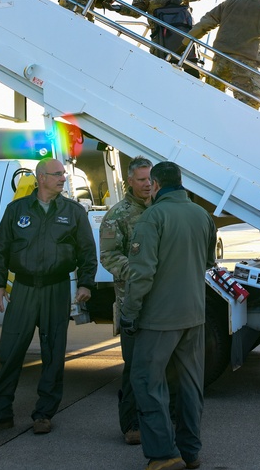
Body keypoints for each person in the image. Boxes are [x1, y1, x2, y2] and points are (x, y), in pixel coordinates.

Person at [0, 158, 97, 436]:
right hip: (24, 289)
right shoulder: (17, 209)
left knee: (53, 355)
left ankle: (44, 414)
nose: (63, 179)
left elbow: (88, 251)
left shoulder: (74, 211)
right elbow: (1, 249)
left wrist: (86, 283)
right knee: (10, 352)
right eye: (57, 174)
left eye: (63, 174)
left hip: (56, 288)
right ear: (41, 178)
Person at [121, 162, 217, 470]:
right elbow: (208, 262)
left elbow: (141, 273)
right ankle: (190, 452)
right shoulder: (202, 215)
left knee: (147, 382)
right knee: (190, 386)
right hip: (194, 315)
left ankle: (163, 454)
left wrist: (129, 312)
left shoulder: (153, 216)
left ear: (158, 184)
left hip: (158, 319)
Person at [99, 157, 154, 446]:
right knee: (133, 366)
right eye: (142, 179)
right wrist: (139, 273)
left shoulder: (162, 209)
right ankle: (131, 423)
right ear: (130, 181)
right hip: (132, 303)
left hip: (162, 304)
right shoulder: (117, 215)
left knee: (162, 365)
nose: (147, 184)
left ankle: (161, 419)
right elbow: (108, 256)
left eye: (150, 179)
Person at [121, 0, 204, 76]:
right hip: (158, 39)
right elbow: (136, 11)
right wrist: (117, 8)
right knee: (159, 74)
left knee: (190, 74)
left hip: (181, 36)